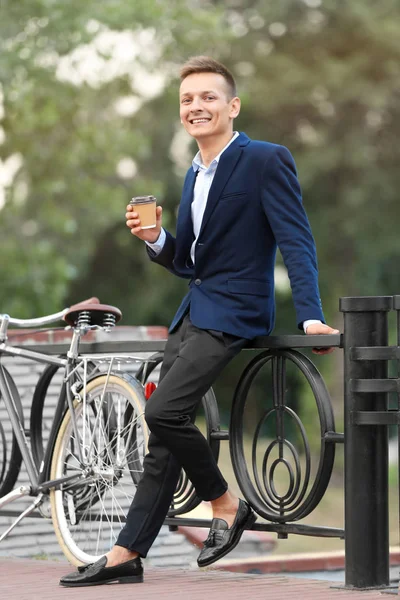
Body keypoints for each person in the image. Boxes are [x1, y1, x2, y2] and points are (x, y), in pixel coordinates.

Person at [60, 56, 339, 587]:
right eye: (188, 100)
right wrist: (155, 241)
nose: (197, 107)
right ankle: (127, 554)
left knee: (163, 411)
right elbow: (189, 260)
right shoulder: (193, 173)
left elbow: (296, 242)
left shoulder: (264, 159)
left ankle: (225, 503)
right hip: (192, 312)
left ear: (232, 106)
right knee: (163, 435)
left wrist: (310, 317)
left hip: (236, 313)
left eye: (209, 97)